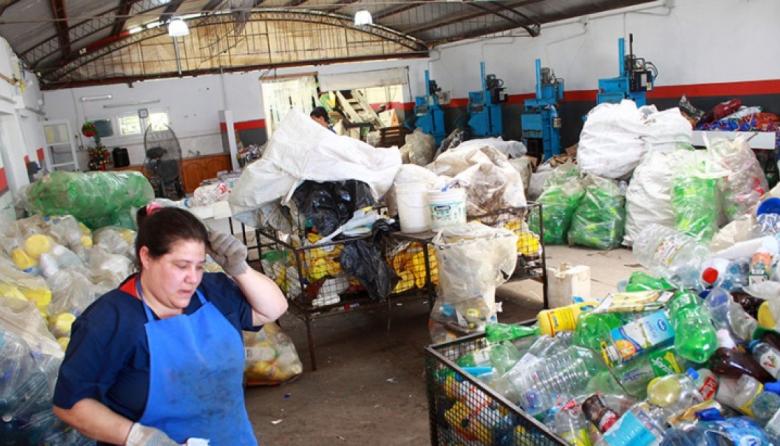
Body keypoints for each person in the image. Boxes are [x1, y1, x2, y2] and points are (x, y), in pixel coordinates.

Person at [52, 206, 288, 446]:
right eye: (181, 266)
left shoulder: (212, 292)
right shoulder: (110, 321)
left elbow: (271, 309)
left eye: (199, 266)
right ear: (146, 257)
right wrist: (140, 438)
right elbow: (70, 405)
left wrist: (240, 268)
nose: (192, 278)